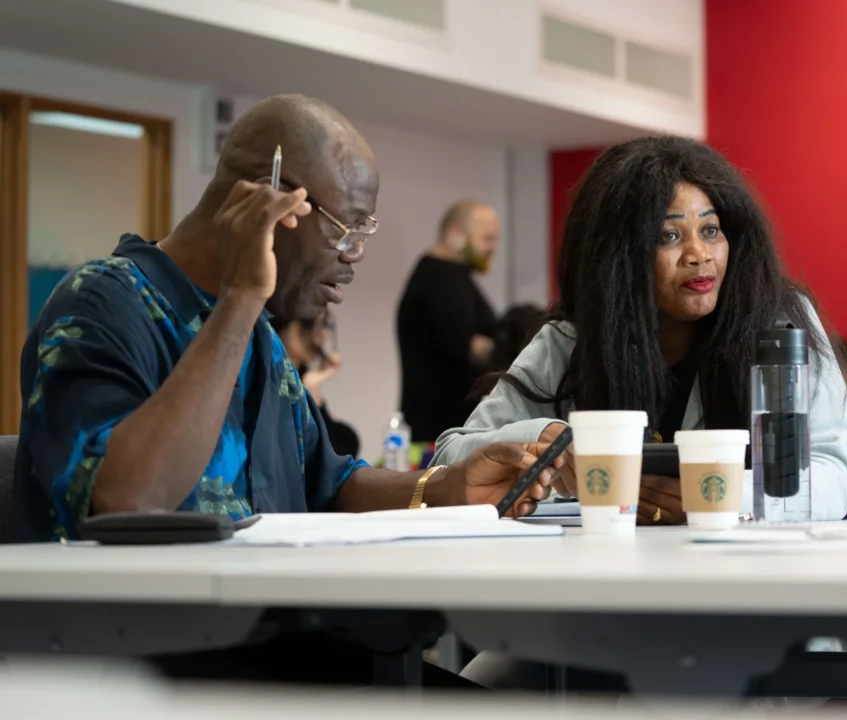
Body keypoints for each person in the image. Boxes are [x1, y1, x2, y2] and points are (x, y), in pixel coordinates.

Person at [15, 95, 558, 542]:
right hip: (149, 657)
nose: (354, 256)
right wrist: (241, 298)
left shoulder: (258, 337)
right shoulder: (101, 304)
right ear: (267, 200)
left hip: (266, 639)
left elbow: (333, 484)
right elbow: (126, 501)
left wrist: (453, 486)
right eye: (345, 229)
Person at [434, 135, 847, 526]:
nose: (699, 255)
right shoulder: (572, 338)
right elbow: (450, 458)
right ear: (620, 259)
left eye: (710, 231)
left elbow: (831, 476)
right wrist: (543, 440)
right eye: (669, 236)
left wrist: (712, 495)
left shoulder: (779, 323)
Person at [396, 201, 500, 443]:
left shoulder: (451, 278)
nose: (493, 247)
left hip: (447, 430)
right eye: (487, 238)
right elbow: (466, 345)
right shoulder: (440, 280)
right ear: (456, 234)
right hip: (441, 434)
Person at [270, 309, 360, 458]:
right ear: (283, 322)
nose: (323, 333)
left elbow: (338, 456)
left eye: (324, 324)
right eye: (310, 323)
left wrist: (312, 390)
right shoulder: (265, 381)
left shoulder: (301, 377)